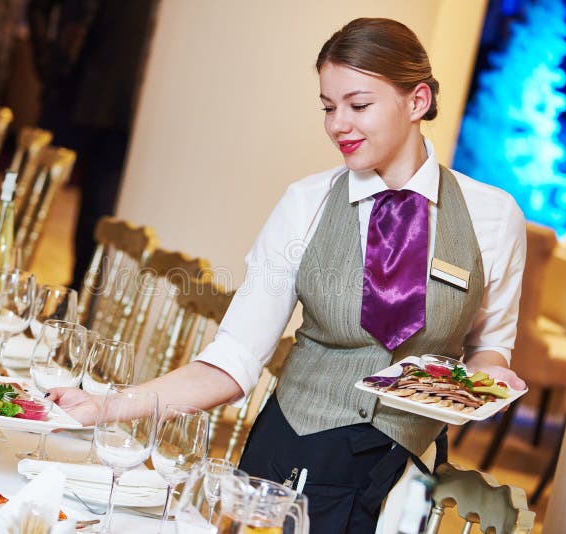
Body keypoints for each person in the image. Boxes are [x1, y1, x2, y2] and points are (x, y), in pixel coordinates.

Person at [50, 18, 527, 533]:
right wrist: (106, 407)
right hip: (288, 466)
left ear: (416, 102)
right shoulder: (307, 203)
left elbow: (489, 347)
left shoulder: (493, 217)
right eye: (328, 107)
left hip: (401, 482)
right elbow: (232, 361)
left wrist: (491, 373)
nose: (337, 124)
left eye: (358, 105)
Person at [27, 0, 156, 289]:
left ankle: (78, 300)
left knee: (98, 216)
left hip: (119, 106)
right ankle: (5, 278)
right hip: (68, 90)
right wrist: (47, 62)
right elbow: (37, 8)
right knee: (30, 196)